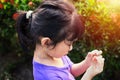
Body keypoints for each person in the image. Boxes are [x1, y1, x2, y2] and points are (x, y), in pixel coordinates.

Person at [16, 0, 104, 80]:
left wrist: (86, 63)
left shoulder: (54, 52)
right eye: (69, 44)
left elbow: (70, 70)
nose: (71, 48)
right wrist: (89, 75)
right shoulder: (46, 76)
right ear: (47, 42)